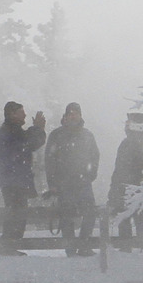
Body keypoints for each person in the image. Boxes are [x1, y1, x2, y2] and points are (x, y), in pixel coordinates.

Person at [45, 102, 101, 255]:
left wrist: (90, 175)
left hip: (83, 183)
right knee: (66, 215)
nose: (73, 115)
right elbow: (49, 160)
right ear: (65, 116)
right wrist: (53, 183)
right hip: (63, 183)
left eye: (76, 113)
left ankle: (83, 245)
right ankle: (70, 248)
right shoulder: (56, 135)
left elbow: (95, 156)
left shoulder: (87, 135)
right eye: (70, 113)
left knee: (90, 213)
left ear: (80, 115)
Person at [0, 100, 48, 254]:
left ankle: (9, 246)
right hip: (14, 181)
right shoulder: (10, 130)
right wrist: (38, 128)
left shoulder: (11, 129)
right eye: (21, 112)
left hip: (13, 180)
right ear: (12, 114)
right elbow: (29, 143)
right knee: (17, 213)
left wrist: (37, 130)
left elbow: (28, 141)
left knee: (17, 213)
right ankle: (8, 246)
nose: (25, 114)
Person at [109, 111, 143, 250]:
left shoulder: (135, 142)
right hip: (133, 186)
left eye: (129, 122)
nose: (126, 124)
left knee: (129, 216)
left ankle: (131, 247)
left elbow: (128, 168)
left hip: (130, 187)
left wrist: (121, 186)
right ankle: (140, 246)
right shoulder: (138, 142)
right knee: (134, 216)